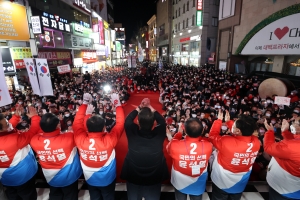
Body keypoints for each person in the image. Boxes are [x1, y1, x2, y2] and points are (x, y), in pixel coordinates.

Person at [73, 93, 124, 200]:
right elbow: (120, 124)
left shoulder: (79, 139)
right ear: (104, 128)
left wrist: (85, 105)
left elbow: (77, 123)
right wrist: (117, 104)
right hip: (107, 179)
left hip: (90, 178)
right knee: (108, 197)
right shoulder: (110, 140)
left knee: (94, 197)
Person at [121, 98, 168, 200]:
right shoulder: (159, 134)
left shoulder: (132, 133)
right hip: (154, 178)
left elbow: (128, 120)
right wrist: (150, 107)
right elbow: (162, 121)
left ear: (138, 121)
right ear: (153, 123)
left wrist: (140, 107)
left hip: (133, 177)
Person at [209, 110, 260, 200]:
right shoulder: (256, 142)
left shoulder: (226, 141)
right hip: (240, 182)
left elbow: (212, 136)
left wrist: (218, 121)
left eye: (234, 125)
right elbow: (241, 134)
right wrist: (229, 122)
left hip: (221, 180)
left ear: (237, 130)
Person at [30, 112, 83, 200]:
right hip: (69, 176)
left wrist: (35, 118)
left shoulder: (35, 140)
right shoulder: (69, 137)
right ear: (58, 125)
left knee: (55, 194)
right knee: (70, 195)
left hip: (50, 176)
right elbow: (79, 129)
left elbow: (39, 131)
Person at [0, 106, 40, 200]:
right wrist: (35, 117)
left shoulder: (5, 134)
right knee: (28, 196)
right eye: (6, 123)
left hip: (5, 177)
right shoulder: (14, 140)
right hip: (23, 176)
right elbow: (33, 132)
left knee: (12, 195)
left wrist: (16, 117)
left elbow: (8, 128)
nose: (8, 123)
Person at [167, 119, 213, 200]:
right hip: (198, 181)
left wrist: (179, 133)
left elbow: (170, 146)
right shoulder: (208, 145)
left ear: (184, 130)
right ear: (202, 130)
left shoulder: (174, 145)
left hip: (179, 181)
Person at [264, 118, 300, 199]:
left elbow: (268, 147)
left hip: (285, 190)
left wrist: (270, 132)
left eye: (296, 123)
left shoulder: (292, 146)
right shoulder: (293, 145)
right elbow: (293, 143)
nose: (293, 124)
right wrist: (285, 133)